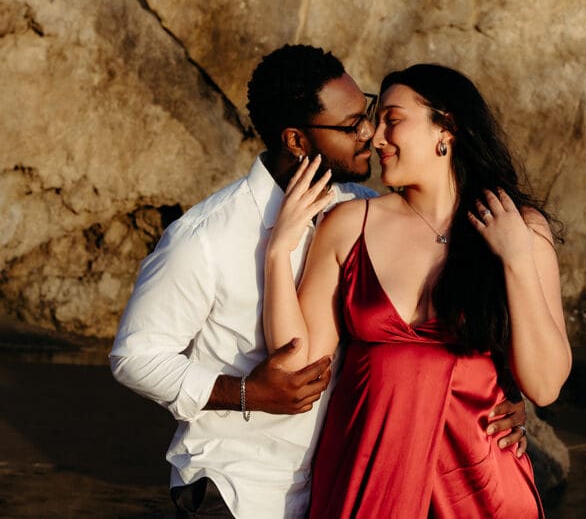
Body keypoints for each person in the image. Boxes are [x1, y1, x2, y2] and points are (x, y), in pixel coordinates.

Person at [110, 46, 529, 519]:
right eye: (351, 126)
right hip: (235, 489)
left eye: (366, 114)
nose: (369, 133)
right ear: (297, 140)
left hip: (335, 481)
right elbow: (135, 357)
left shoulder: (359, 211)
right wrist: (246, 392)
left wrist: (503, 393)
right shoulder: (206, 237)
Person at [264, 63, 571, 518]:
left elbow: (544, 387)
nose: (376, 137)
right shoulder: (349, 225)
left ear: (445, 128)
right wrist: (278, 252)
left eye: (392, 120)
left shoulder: (519, 228)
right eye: (376, 122)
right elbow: (298, 367)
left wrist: (518, 260)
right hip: (367, 475)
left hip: (479, 486)